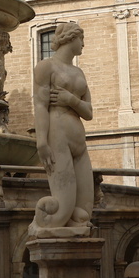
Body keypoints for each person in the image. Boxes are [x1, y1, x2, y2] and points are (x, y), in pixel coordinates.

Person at [29, 22, 94, 236]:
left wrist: (70, 99)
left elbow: (89, 113)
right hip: (57, 135)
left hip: (79, 140)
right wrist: (42, 143)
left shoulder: (80, 71)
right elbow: (40, 105)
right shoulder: (46, 67)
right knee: (61, 212)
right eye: (81, 39)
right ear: (70, 39)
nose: (83, 44)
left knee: (84, 213)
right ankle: (46, 231)